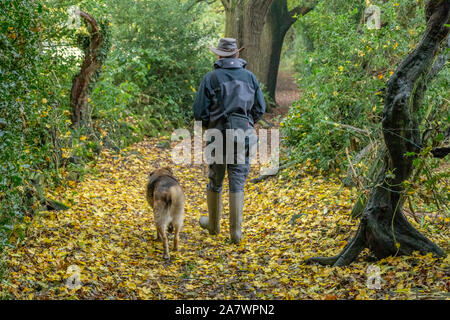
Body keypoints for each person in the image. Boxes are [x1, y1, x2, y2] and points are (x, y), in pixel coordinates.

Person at [193, 38, 266, 244]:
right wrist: (246, 121)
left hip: (218, 134)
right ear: (237, 55)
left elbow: (199, 112)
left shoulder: (211, 78)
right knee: (237, 178)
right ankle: (235, 233)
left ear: (219, 56)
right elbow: (260, 108)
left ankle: (214, 226)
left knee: (215, 178)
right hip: (243, 133)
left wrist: (212, 125)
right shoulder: (250, 78)